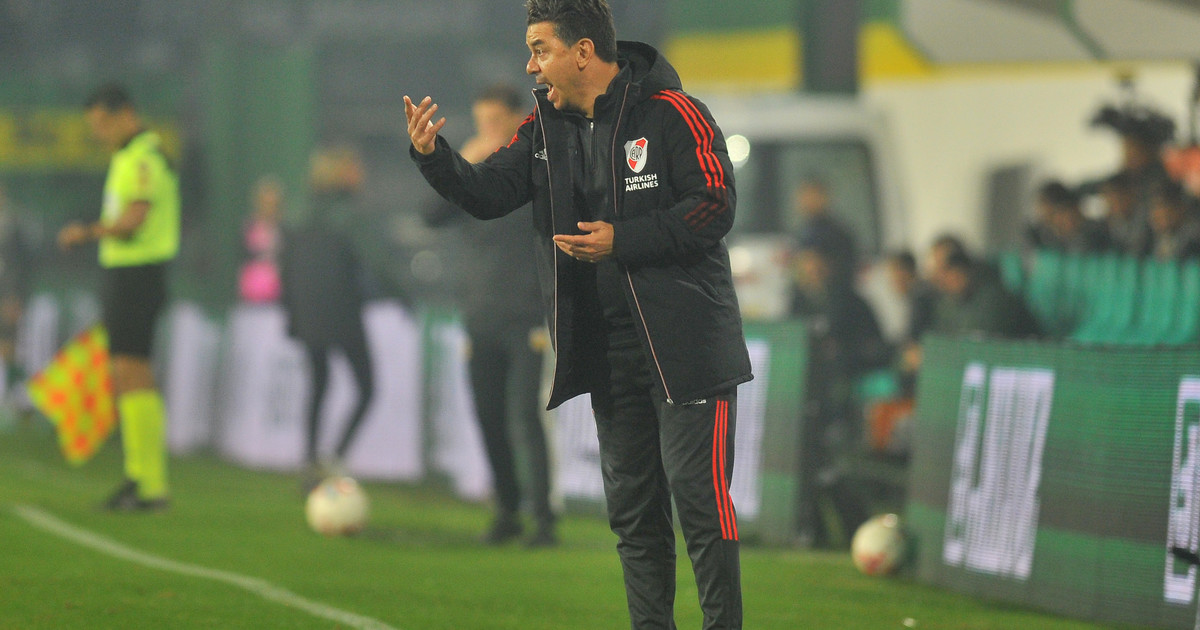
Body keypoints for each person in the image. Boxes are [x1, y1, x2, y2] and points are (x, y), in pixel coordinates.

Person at [404, 1, 751, 627]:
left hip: (687, 347)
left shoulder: (674, 113)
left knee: (700, 502)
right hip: (608, 350)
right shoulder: (543, 129)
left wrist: (624, 239)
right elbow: (488, 194)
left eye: (540, 49)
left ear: (583, 52)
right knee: (634, 517)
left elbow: (715, 205)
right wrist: (435, 156)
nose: (530, 66)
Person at [419, 85, 557, 547]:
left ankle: (544, 519)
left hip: (527, 313)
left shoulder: (535, 169)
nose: (488, 131)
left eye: (496, 121)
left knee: (525, 416)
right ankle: (507, 511)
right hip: (480, 314)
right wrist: (463, 162)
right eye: (482, 122)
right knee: (488, 417)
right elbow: (431, 216)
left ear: (518, 119)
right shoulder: (474, 176)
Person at [57, 83, 179, 512]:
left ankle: (149, 482)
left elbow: (134, 218)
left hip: (139, 273)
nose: (99, 132)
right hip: (128, 274)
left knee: (133, 370)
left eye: (103, 122)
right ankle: (141, 478)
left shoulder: (144, 156)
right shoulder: (129, 156)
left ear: (126, 114)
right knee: (126, 371)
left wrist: (88, 231)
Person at [279, 149, 376, 491]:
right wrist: (403, 297)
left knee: (318, 387)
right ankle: (333, 460)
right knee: (367, 387)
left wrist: (291, 315)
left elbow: (285, 270)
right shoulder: (349, 215)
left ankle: (309, 463)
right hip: (344, 314)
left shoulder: (297, 215)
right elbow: (373, 262)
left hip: (308, 314)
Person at [791, 174, 857, 289]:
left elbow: (844, 272)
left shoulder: (837, 234)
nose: (806, 201)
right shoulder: (802, 231)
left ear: (824, 198)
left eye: (811, 195)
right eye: (803, 195)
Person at [238, 176, 284, 304]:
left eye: (273, 203)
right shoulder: (249, 227)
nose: (268, 206)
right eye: (265, 202)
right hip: (250, 298)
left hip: (278, 299)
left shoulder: (284, 230)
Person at [1147, 180, 1200, 261]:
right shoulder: (1152, 236)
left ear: (1179, 208)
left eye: (1161, 207)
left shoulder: (1194, 237)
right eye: (1154, 208)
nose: (1156, 215)